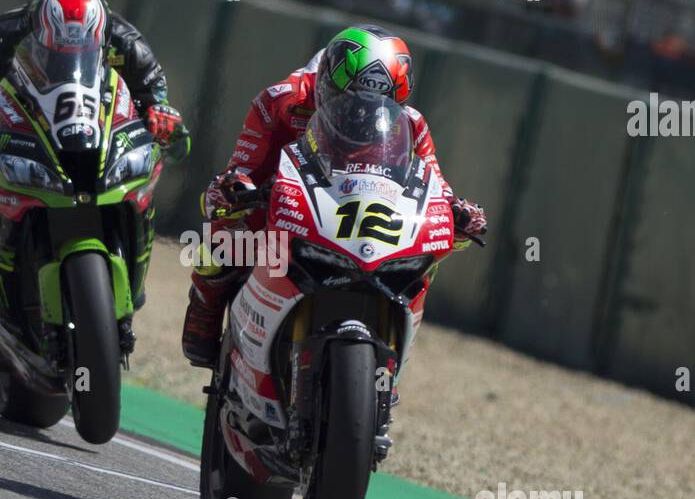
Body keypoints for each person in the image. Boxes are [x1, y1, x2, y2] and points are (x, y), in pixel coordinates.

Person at [181, 24, 487, 367]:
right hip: (284, 198)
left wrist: (458, 213)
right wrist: (234, 188)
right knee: (225, 231)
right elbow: (244, 165)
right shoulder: (282, 100)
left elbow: (437, 188)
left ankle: (386, 361)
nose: (359, 113)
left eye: (379, 105)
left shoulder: (413, 125)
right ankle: (204, 308)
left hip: (358, 210)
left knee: (423, 256)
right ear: (326, 79)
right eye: (347, 99)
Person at [0, 0, 189, 314]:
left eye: (81, 50)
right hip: (23, 131)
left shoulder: (128, 45)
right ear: (37, 31)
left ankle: (132, 276)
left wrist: (165, 120)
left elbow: (164, 113)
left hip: (96, 135)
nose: (69, 57)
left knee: (145, 175)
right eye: (58, 52)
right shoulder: (0, 41)